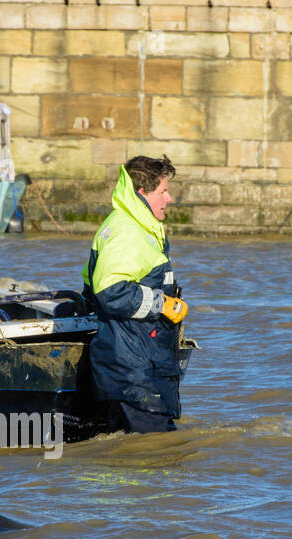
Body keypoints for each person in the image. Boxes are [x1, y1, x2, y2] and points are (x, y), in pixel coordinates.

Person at [82, 154, 189, 434]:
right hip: (134, 371)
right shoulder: (129, 231)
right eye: (163, 191)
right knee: (158, 457)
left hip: (132, 365)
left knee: (130, 455)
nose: (170, 198)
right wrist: (161, 304)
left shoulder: (131, 224)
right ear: (142, 192)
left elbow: (89, 288)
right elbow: (109, 291)